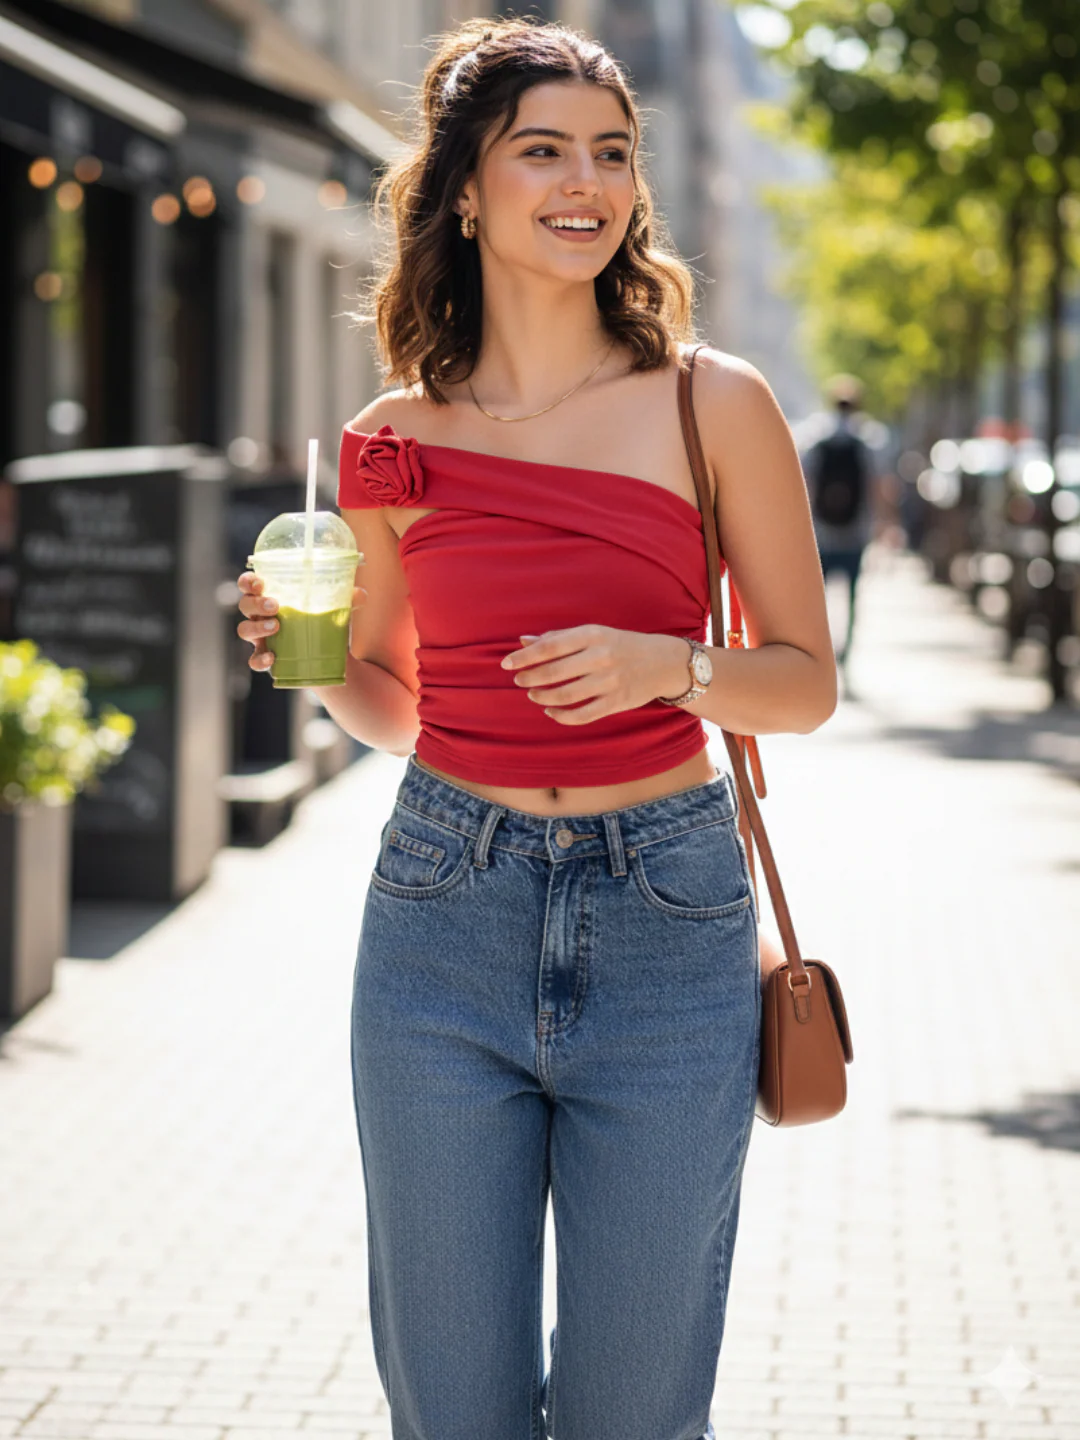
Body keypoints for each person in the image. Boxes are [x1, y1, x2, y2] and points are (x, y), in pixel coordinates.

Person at [236, 18, 836, 1440]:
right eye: (544, 151)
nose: (589, 182)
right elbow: (398, 702)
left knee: (639, 1412)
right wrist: (311, 666)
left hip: (672, 915)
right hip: (444, 909)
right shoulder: (391, 433)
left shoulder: (715, 401)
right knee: (454, 1411)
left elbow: (806, 681)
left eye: (613, 153)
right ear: (463, 189)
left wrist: (670, 669)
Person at [803, 375, 878, 668]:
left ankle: (819, 646)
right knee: (852, 593)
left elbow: (805, 482)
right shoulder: (867, 440)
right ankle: (845, 647)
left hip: (820, 531)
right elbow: (876, 484)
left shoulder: (817, 438)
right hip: (856, 531)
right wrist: (885, 523)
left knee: (818, 593)